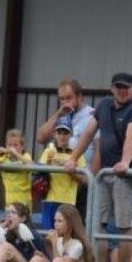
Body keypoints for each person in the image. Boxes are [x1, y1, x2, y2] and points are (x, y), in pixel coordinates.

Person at [69, 72, 132, 262]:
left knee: (124, 225)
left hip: (125, 173)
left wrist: (125, 163)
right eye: (118, 87)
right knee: (99, 224)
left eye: (126, 87)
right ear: (112, 88)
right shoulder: (104, 105)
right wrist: (72, 158)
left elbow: (131, 137)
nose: (122, 91)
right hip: (105, 172)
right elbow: (88, 134)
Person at [33, 78, 97, 214]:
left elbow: (99, 150)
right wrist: (58, 114)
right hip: (59, 186)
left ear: (79, 96)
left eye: (69, 98)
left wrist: (92, 180)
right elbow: (40, 137)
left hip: (81, 180)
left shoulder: (92, 115)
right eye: (61, 99)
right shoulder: (61, 116)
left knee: (79, 228)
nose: (65, 102)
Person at [37, 121, 83, 232]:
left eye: (65, 133)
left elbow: (85, 179)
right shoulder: (48, 151)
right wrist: (48, 165)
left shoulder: (77, 154)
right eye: (59, 132)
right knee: (48, 235)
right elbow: (39, 172)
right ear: (54, 134)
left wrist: (71, 170)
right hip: (50, 199)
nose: (62, 136)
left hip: (68, 201)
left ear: (70, 135)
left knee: (65, 235)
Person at [0, 128, 34, 210]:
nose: (12, 148)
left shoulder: (25, 156)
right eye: (9, 145)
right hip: (9, 203)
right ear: (6, 146)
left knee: (24, 222)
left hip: (24, 202)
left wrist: (16, 154)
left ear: (22, 146)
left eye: (15, 145)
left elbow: (31, 164)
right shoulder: (3, 159)